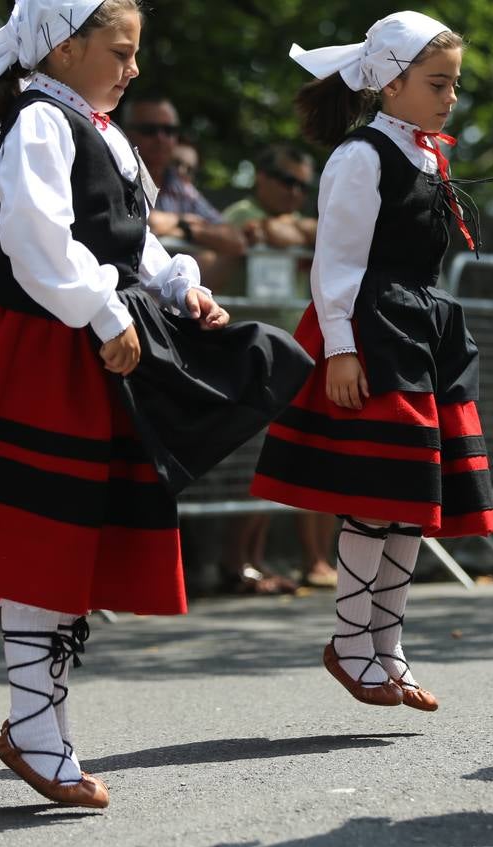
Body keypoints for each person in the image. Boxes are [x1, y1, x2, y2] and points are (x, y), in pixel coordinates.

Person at [0, 0, 307, 808]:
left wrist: (179, 286)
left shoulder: (93, 125)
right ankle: (36, 723)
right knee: (42, 538)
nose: (133, 67)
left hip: (84, 337)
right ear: (65, 44)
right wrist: (105, 310)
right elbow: (36, 236)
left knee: (75, 532)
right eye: (120, 51)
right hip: (44, 344)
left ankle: (37, 720)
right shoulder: (40, 123)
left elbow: (130, 235)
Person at [250, 11, 493, 712]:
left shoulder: (426, 153)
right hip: (374, 330)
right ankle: (350, 641)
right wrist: (339, 348)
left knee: (412, 504)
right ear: (390, 84)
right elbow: (337, 261)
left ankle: (386, 644)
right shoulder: (362, 156)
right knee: (377, 498)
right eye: (437, 82)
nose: (450, 97)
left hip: (424, 329)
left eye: (454, 84)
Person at [223, 143, 336, 591]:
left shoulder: (279, 220)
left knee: (269, 465)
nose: (295, 192)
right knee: (250, 466)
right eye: (287, 181)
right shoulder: (239, 215)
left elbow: (316, 231)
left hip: (285, 358)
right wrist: (291, 232)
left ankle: (254, 561)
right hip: (251, 355)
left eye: (302, 186)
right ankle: (237, 564)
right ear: (262, 178)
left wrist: (288, 231)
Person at [123, 96, 245, 287]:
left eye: (169, 130)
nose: (161, 138)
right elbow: (139, 225)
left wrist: (184, 230)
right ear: (126, 132)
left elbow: (235, 240)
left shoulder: (180, 185)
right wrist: (184, 221)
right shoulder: (117, 174)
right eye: (149, 130)